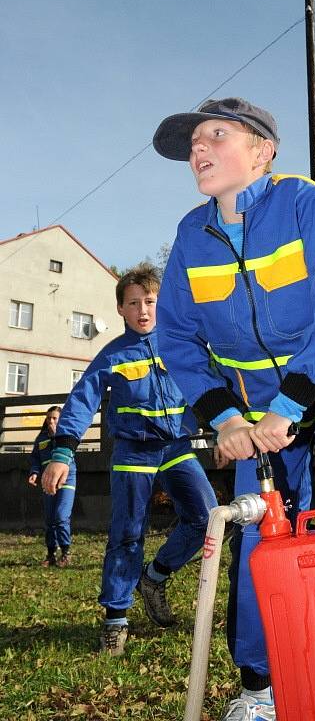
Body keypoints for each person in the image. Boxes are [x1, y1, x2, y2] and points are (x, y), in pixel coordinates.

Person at [153, 97, 315, 720]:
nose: (198, 150)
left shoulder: (307, 203)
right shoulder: (189, 234)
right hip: (250, 414)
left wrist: (289, 406)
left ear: (262, 150)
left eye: (216, 135)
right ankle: (261, 688)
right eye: (193, 144)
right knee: (259, 538)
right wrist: (225, 417)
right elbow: (174, 337)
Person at [41, 263, 218, 656]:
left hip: (176, 447)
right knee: (128, 532)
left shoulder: (183, 345)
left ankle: (154, 577)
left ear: (162, 303)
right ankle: (115, 620)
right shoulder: (111, 354)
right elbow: (81, 401)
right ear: (120, 309)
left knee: (209, 519)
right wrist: (62, 454)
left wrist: (227, 431)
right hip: (133, 450)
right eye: (133, 303)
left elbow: (211, 386)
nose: (143, 310)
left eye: (150, 302)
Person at [28, 405, 76, 567]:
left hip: (66, 480)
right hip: (48, 480)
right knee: (49, 519)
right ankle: (51, 554)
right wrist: (34, 472)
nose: (51, 421)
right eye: (49, 418)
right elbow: (35, 458)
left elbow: (67, 454)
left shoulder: (65, 435)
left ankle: (66, 552)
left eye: (55, 418)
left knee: (61, 516)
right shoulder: (41, 438)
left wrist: (57, 436)